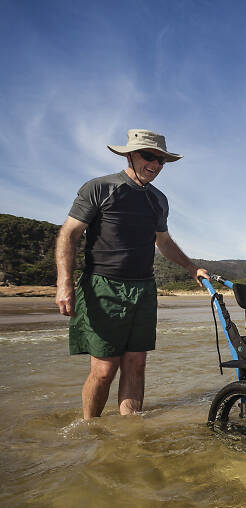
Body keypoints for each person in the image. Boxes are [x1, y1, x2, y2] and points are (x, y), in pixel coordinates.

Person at [55, 129, 209, 419]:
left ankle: (129, 433)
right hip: (103, 285)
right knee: (103, 370)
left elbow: (163, 242)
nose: (155, 165)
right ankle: (90, 430)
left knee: (136, 364)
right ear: (130, 154)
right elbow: (69, 233)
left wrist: (192, 268)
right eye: (148, 157)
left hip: (144, 288)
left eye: (161, 160)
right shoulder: (100, 187)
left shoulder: (158, 200)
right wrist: (64, 283)